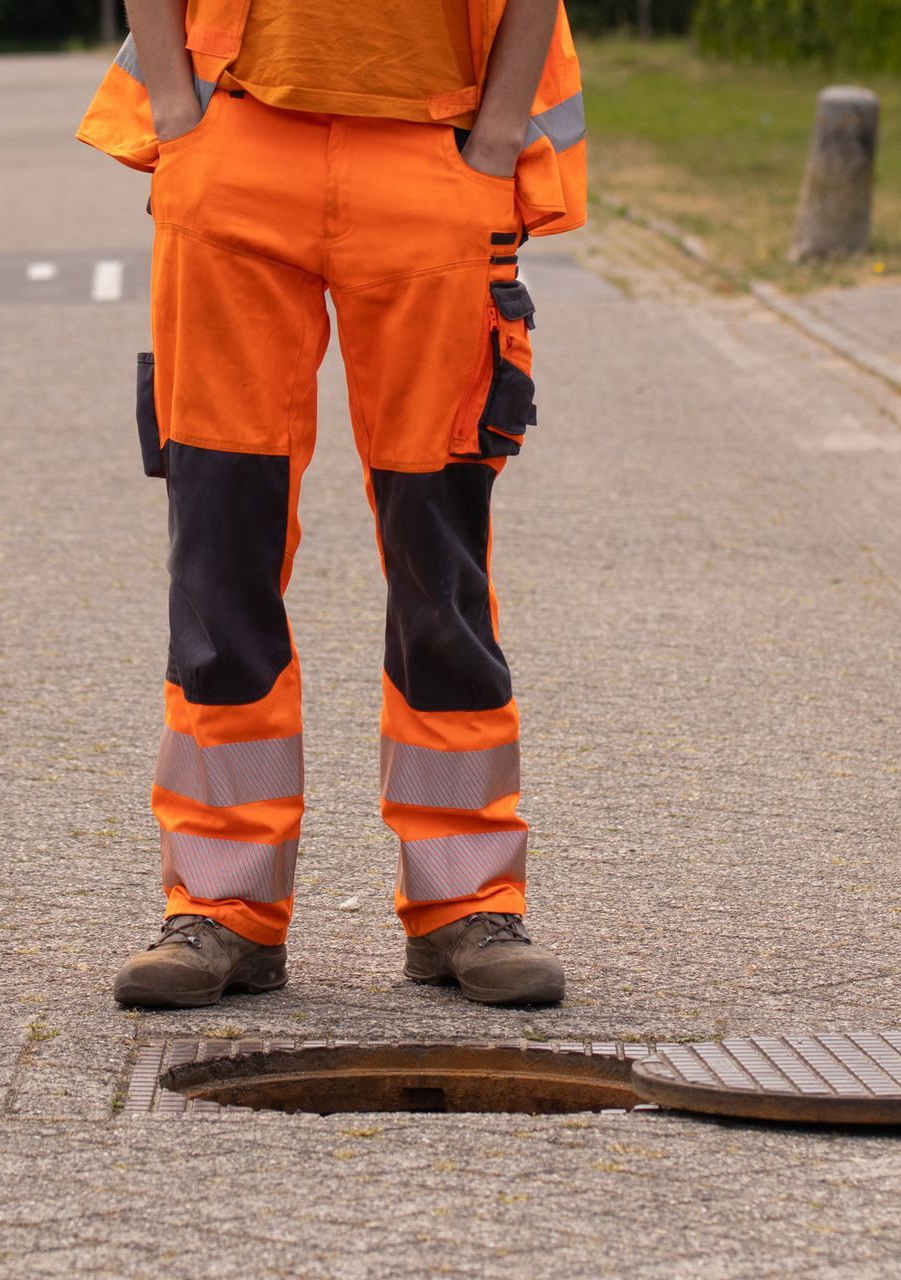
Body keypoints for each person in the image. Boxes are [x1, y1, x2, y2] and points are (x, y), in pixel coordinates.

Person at [76, 1, 588, 1008]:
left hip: (435, 155)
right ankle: (222, 907)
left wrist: (491, 143)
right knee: (222, 542)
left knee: (437, 552)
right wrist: (178, 108)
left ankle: (465, 906)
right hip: (236, 140)